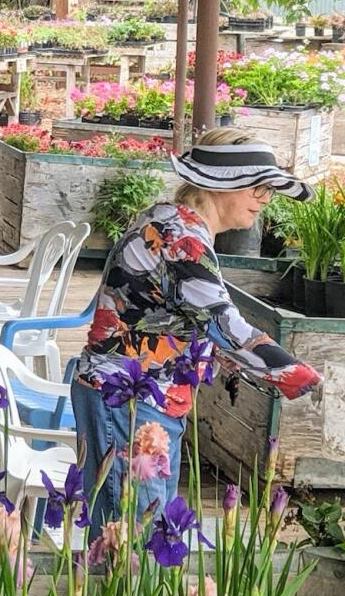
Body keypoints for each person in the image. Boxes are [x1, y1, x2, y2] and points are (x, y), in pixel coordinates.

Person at [73, 128, 323, 533]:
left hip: (138, 399)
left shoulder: (174, 222)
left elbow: (195, 324)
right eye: (257, 187)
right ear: (223, 184)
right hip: (130, 402)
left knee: (131, 538)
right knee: (132, 544)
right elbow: (225, 326)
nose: (265, 198)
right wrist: (299, 376)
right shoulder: (182, 239)